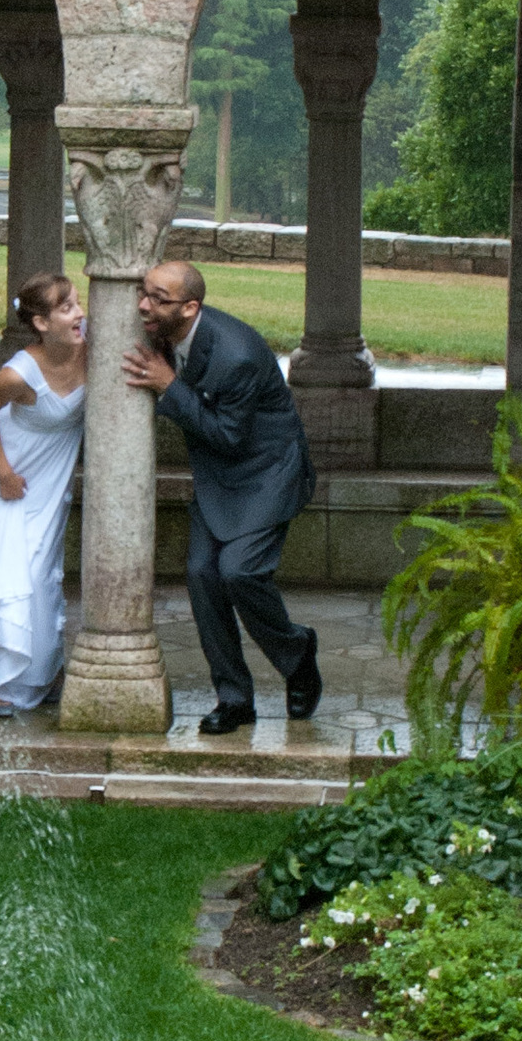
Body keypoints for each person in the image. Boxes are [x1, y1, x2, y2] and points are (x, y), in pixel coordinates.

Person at [122, 261, 322, 737]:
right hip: (219, 476)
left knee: (241, 571)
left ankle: (297, 655)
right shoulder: (166, 330)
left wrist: (169, 386)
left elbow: (228, 436)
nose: (144, 306)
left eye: (158, 299)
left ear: (190, 308)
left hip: (267, 472)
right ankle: (234, 699)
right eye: (143, 292)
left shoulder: (237, 356)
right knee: (201, 574)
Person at [0, 270, 87, 717]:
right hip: (2, 480)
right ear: (40, 322)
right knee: (7, 580)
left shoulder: (90, 352)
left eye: (77, 303)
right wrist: (3, 474)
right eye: (67, 307)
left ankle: (46, 674)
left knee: (41, 579)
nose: (80, 314)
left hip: (48, 479)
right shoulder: (18, 374)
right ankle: (3, 688)